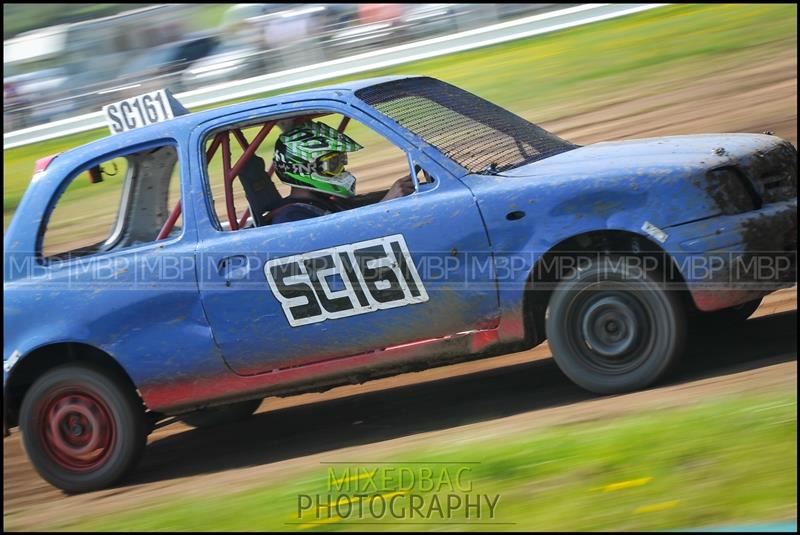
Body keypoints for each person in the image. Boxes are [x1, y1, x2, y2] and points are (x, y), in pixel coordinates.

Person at [268, 120, 414, 224]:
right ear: (302, 169)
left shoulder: (324, 202)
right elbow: (346, 243)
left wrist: (394, 194)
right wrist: (386, 204)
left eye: (340, 162)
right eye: (332, 164)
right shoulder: (291, 218)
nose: (341, 170)